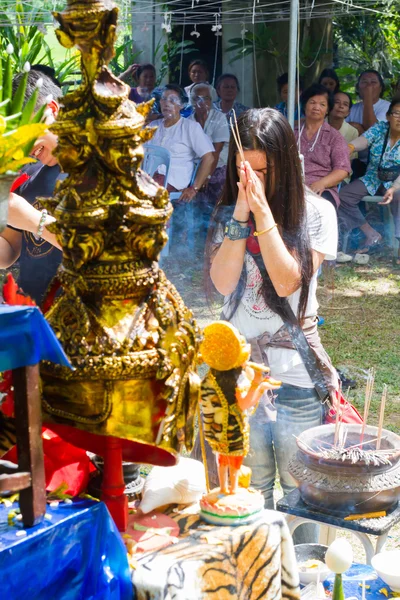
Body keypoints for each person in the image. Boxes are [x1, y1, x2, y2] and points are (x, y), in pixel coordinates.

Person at [206, 108, 338, 541]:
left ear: (285, 162)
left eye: (264, 171)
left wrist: (263, 216)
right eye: (247, 170)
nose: (255, 181)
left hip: (296, 376)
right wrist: (241, 216)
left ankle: (306, 579)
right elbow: (223, 282)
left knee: (305, 497)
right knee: (248, 490)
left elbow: (286, 284)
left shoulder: (317, 213)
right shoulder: (229, 213)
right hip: (241, 376)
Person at [0, 70, 63, 306]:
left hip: (79, 319)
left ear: (52, 109)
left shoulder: (99, 164)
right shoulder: (30, 173)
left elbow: (106, 251)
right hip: (33, 313)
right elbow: (9, 251)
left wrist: (35, 220)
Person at [148, 84, 214, 256]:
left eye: (172, 100)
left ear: (182, 105)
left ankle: (156, 247)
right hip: (150, 179)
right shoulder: (152, 127)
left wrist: (195, 188)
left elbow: (209, 157)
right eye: (163, 99)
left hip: (172, 181)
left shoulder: (190, 127)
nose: (166, 103)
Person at [339, 98, 400, 257]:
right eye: (397, 113)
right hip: (373, 177)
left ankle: (398, 242)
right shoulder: (380, 128)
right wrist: (351, 146)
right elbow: (364, 140)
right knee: (343, 196)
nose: (399, 118)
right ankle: (371, 233)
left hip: (397, 182)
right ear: (388, 116)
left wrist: (394, 188)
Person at [188, 83, 230, 252]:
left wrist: (207, 176)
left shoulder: (218, 118)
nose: (201, 102)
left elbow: (216, 151)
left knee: (215, 195)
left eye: (205, 98)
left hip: (216, 165)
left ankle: (217, 241)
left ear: (212, 100)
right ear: (191, 101)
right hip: (194, 167)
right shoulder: (188, 119)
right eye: (197, 98)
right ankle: (196, 242)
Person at [295, 84, 350, 208]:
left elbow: (342, 169)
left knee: (321, 206)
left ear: (327, 110)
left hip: (322, 188)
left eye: (322, 104)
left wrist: (321, 183)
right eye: (312, 102)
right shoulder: (292, 132)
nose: (316, 107)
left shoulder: (334, 136)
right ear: (304, 105)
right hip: (292, 185)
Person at [347, 70, 390, 135]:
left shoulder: (388, 107)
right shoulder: (352, 108)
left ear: (380, 88)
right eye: (364, 82)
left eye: (373, 82)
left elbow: (372, 130)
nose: (369, 86)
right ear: (358, 88)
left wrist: (368, 96)